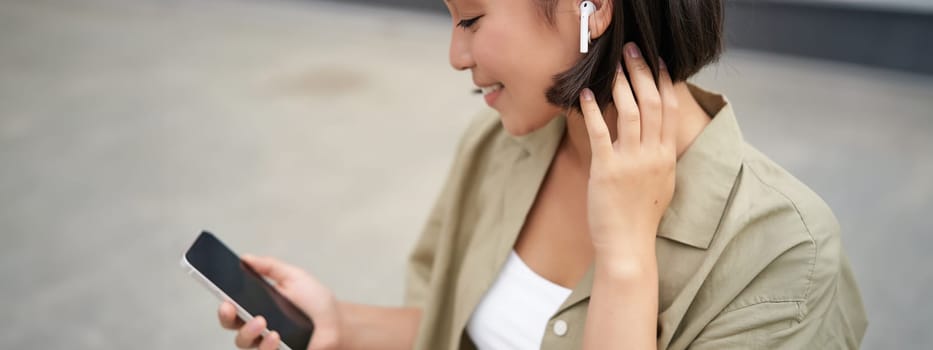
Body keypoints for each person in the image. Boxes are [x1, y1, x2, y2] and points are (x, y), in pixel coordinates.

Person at [216, 0, 868, 348]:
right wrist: (340, 325)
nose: (455, 55)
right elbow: (469, 334)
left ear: (592, 7)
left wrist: (624, 260)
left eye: (470, 19)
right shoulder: (499, 145)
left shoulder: (784, 255)